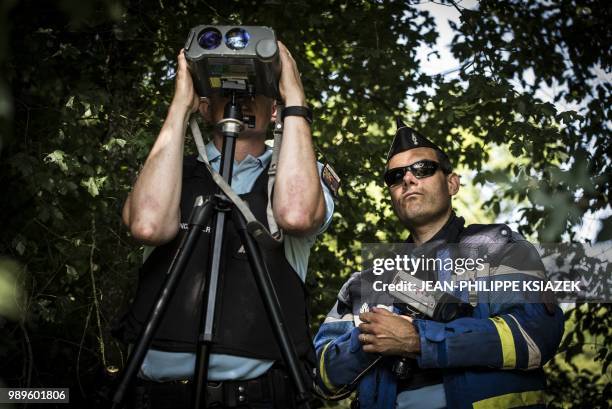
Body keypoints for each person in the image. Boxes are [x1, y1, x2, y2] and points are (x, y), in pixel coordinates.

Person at [115, 41, 335, 409]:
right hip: (155, 396)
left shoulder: (301, 177)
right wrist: (180, 106)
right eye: (225, 88)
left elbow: (296, 215)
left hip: (256, 397)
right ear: (205, 106)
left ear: (275, 108)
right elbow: (147, 226)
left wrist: (295, 94)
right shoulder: (173, 173)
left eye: (257, 91)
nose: (242, 98)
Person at [313, 119, 564, 409]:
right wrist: (370, 341)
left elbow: (537, 335)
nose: (408, 179)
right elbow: (321, 378)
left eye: (422, 169)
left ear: (452, 183)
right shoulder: (366, 283)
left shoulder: (498, 247)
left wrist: (420, 340)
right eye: (395, 176)